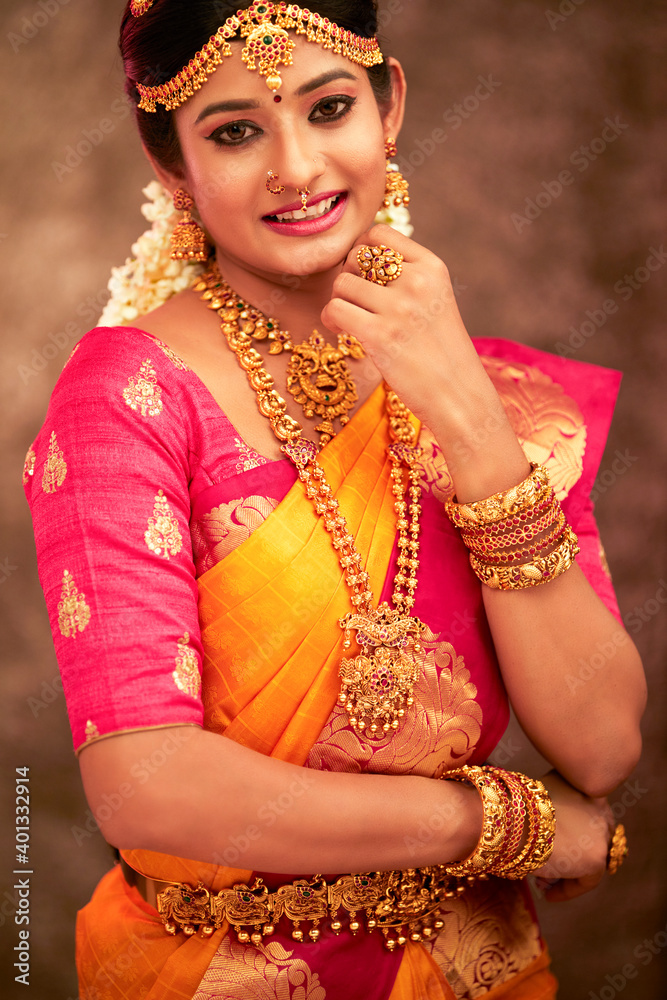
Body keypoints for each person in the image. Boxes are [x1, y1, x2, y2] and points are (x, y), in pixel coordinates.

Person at [24, 1, 647, 997]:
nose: (299, 169)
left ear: (389, 103)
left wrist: (470, 422)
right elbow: (146, 786)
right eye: (234, 132)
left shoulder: (489, 390)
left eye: (328, 108)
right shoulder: (131, 395)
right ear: (170, 164)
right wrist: (501, 822)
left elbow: (603, 741)